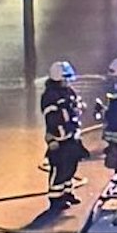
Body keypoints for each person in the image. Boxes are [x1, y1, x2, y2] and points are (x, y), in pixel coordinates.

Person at [41, 60, 86, 211]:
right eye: (65, 79)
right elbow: (52, 119)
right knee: (59, 168)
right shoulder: (50, 96)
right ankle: (56, 198)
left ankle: (67, 193)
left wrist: (79, 108)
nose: (68, 82)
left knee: (70, 167)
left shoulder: (68, 91)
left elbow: (74, 108)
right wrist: (55, 138)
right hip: (59, 140)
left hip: (71, 136)